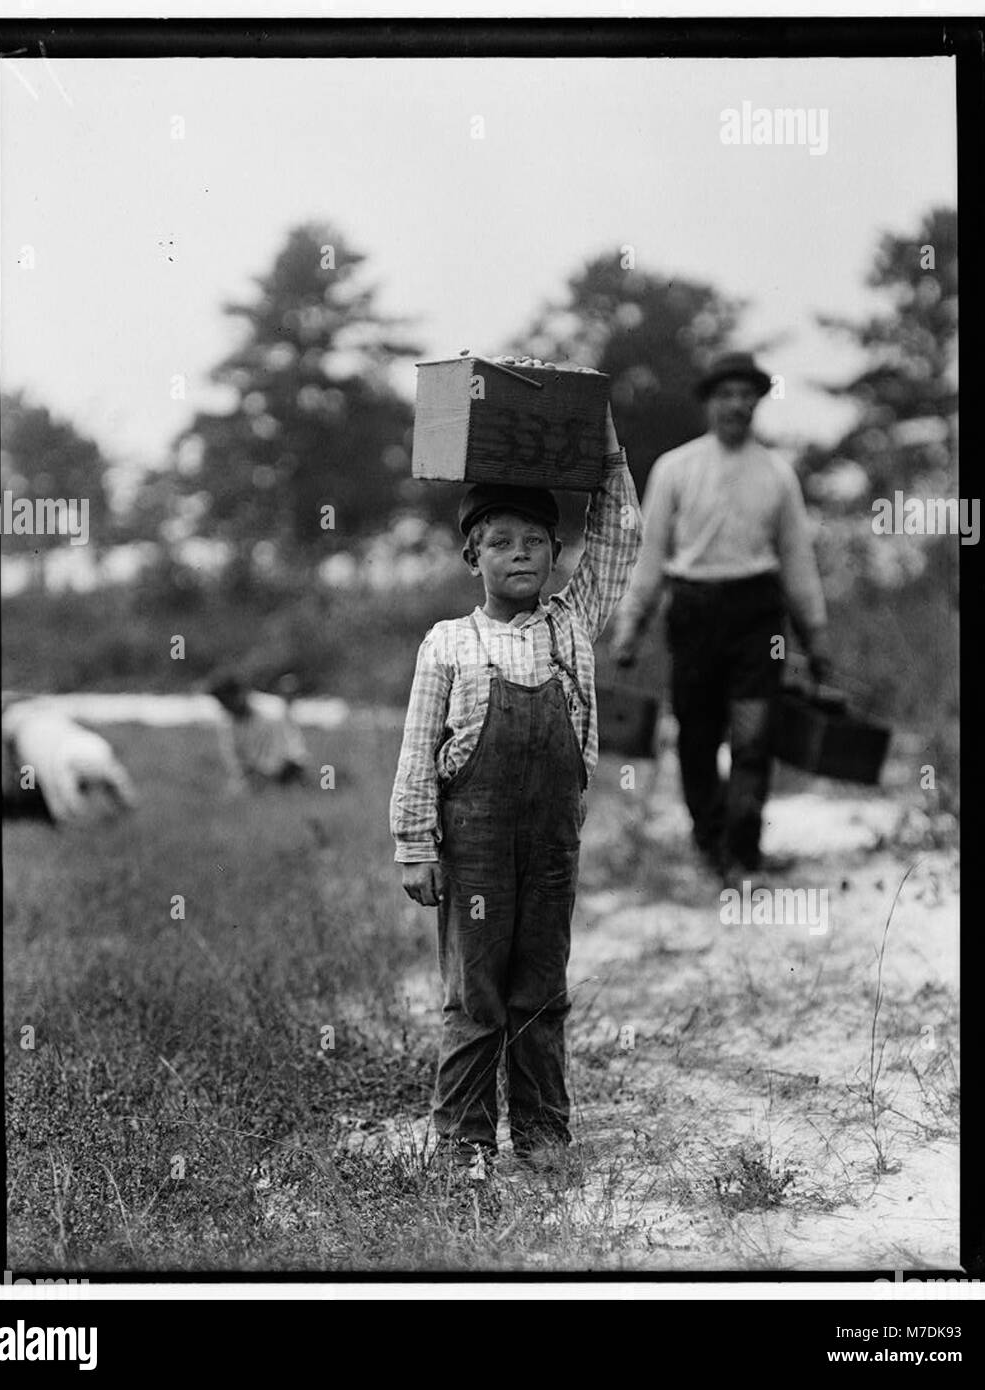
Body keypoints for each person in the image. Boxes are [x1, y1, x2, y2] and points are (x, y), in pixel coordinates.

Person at [390, 367, 641, 1182]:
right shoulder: (448, 644)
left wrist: (603, 447)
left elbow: (622, 534)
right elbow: (418, 751)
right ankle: (463, 1143)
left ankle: (543, 1137)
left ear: (556, 551)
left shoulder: (571, 624)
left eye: (536, 539)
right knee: (476, 995)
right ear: (474, 555)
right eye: (501, 541)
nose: (522, 553)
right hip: (475, 844)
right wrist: (412, 844)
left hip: (551, 844)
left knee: (542, 989)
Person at [610, 351, 830, 880]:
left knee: (754, 737)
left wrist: (816, 639)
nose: (736, 405)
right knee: (697, 735)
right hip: (694, 614)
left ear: (757, 401)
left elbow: (798, 562)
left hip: (757, 616)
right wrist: (630, 629)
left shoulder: (777, 473)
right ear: (710, 402)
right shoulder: (675, 468)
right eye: (725, 395)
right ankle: (711, 845)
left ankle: (745, 849)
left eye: (745, 395)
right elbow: (651, 555)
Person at [2, 697, 137, 823]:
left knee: (37, 782)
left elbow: (26, 775)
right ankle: (128, 808)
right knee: (112, 778)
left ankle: (32, 806)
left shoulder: (16, 731)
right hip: (87, 744)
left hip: (55, 758)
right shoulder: (46, 710)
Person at [209, 675, 311, 792]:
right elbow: (233, 759)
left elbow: (286, 751)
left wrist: (265, 773)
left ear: (240, 694)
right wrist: (246, 774)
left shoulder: (272, 711)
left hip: (288, 768)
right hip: (256, 774)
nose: (226, 707)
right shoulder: (227, 723)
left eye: (228, 701)